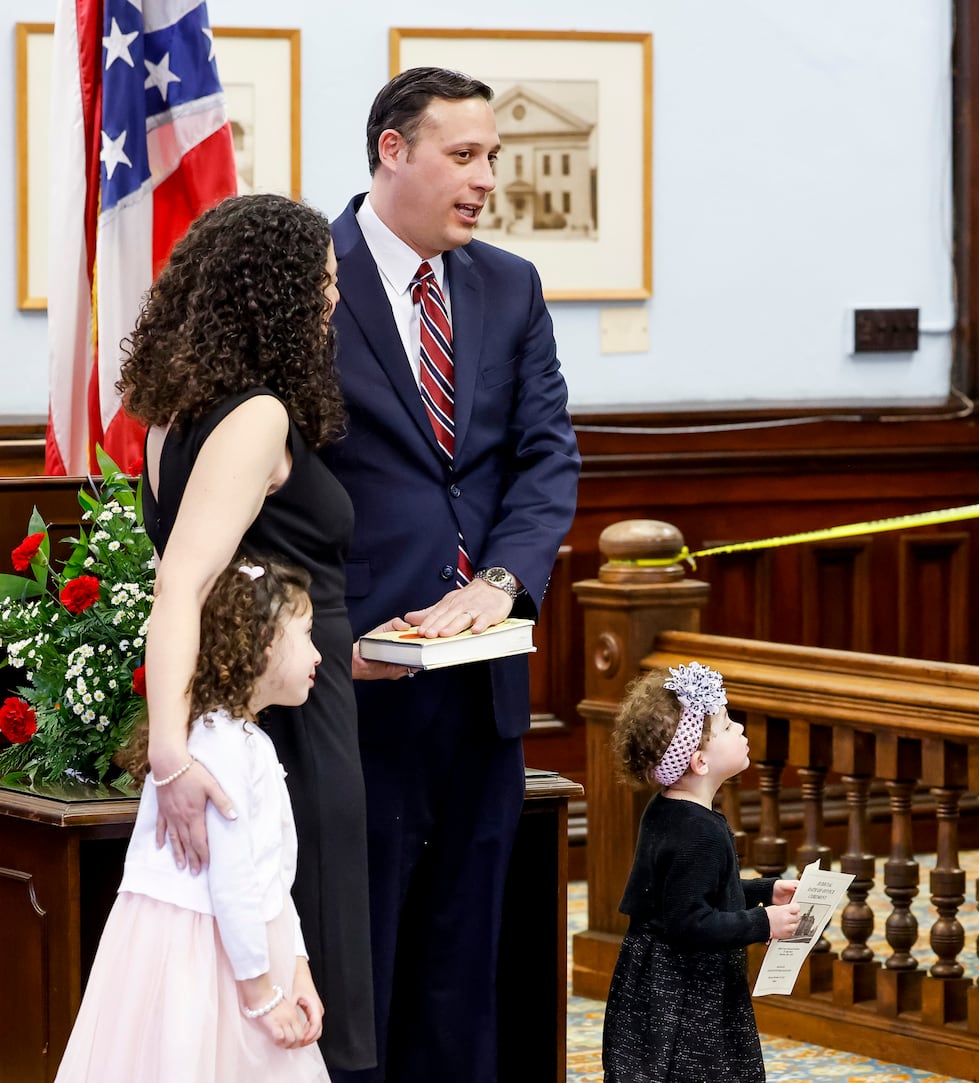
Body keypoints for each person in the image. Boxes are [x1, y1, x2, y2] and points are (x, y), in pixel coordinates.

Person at [318, 67, 582, 1082]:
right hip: (354, 681)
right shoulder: (313, 277)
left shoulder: (508, 285)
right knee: (359, 957)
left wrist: (506, 582)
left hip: (484, 686)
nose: (484, 180)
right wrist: (322, 641)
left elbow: (545, 454)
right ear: (394, 151)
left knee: (463, 959)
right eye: (463, 156)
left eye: (494, 160)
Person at [123, 193, 411, 1078]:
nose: (334, 299)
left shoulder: (171, 411)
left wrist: (346, 648)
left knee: (254, 976)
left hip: (283, 691)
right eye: (323, 282)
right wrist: (168, 759)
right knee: (306, 964)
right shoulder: (256, 416)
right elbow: (183, 587)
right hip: (291, 734)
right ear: (277, 294)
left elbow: (247, 584)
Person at [56, 557, 331, 1083]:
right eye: (309, 634)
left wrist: (297, 969)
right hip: (205, 960)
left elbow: (273, 877)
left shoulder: (246, 740)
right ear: (266, 642)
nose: (319, 654)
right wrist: (259, 1000)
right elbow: (230, 881)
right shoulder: (216, 746)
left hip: (249, 948)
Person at [600, 662, 803, 1082]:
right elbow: (690, 922)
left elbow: (685, 894)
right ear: (699, 762)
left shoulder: (667, 810)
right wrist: (762, 921)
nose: (740, 728)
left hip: (654, 975)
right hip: (686, 993)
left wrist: (766, 890)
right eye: (728, 726)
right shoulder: (702, 833)